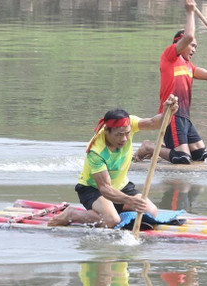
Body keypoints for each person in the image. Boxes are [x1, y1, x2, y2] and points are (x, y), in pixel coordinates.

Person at [48, 96, 180, 228]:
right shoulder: (96, 151)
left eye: (127, 134)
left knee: (151, 212)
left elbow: (154, 123)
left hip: (121, 186)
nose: (124, 139)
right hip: (93, 189)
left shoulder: (129, 123)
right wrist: (129, 200)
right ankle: (72, 214)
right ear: (107, 131)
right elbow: (105, 189)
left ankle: (110, 210)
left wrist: (167, 112)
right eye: (118, 135)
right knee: (111, 221)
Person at [135, 0, 207, 165]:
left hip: (185, 117)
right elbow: (188, 36)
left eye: (196, 46)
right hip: (171, 114)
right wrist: (190, 12)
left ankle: (165, 148)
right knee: (182, 158)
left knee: (201, 155)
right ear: (179, 43)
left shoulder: (189, 66)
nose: (194, 49)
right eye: (192, 45)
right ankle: (150, 147)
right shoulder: (169, 57)